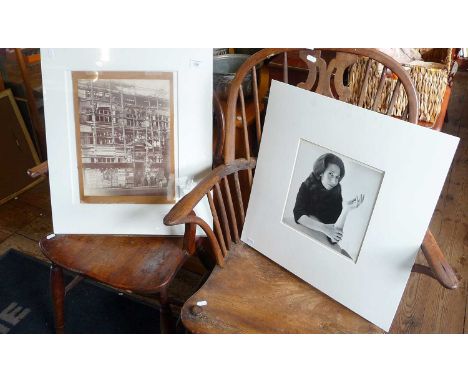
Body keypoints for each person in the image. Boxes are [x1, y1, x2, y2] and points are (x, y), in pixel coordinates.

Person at [293, 153, 364, 244]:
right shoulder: (307, 185)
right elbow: (298, 214)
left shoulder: (336, 192)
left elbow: (334, 239)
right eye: (331, 174)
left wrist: (346, 210)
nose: (334, 181)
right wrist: (324, 228)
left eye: (337, 177)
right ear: (321, 172)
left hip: (319, 242)